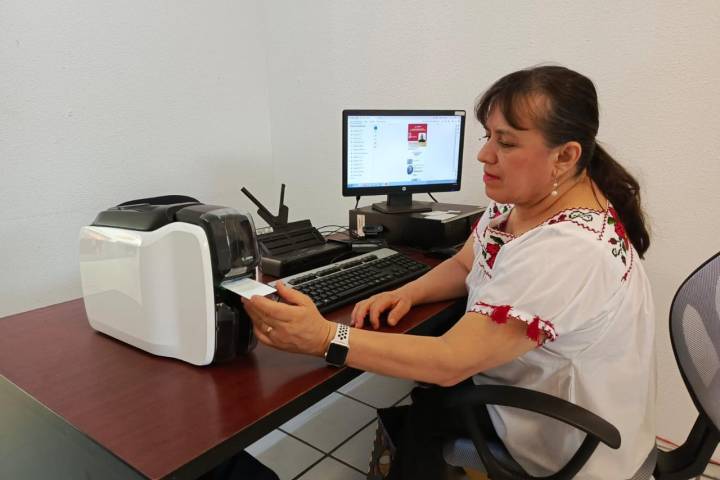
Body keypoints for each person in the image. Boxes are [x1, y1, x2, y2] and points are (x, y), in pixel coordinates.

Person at [242, 65, 656, 479]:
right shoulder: (525, 200)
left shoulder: (569, 250)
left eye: (506, 142)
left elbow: (449, 362)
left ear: (565, 156)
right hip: (524, 383)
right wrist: (409, 293)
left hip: (563, 439)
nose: (484, 155)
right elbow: (465, 262)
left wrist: (325, 337)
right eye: (488, 136)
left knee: (427, 407)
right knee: (424, 401)